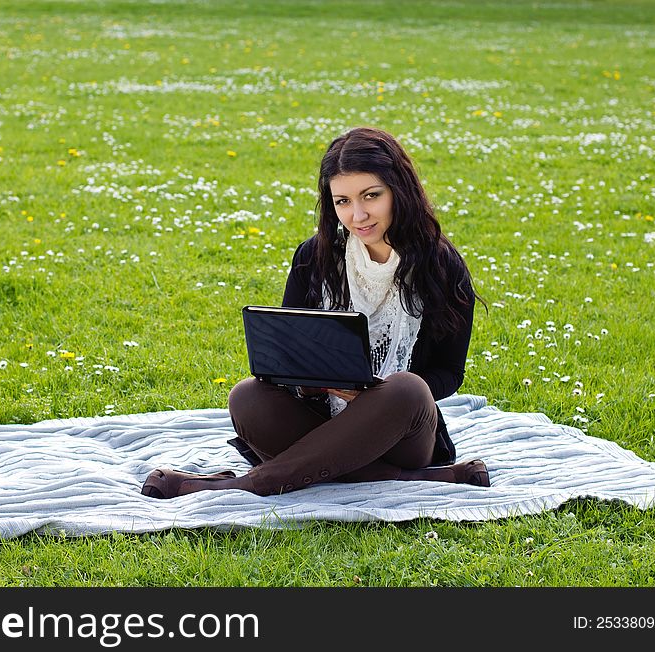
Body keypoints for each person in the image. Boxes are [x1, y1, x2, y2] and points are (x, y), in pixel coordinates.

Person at [141, 126, 489, 499]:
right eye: (342, 201)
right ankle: (408, 479)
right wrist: (314, 382)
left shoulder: (441, 265)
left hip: (401, 429)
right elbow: (291, 353)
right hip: (319, 416)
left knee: (407, 387)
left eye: (371, 196)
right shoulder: (314, 257)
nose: (357, 215)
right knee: (246, 396)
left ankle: (246, 484)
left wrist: (374, 394)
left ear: (398, 191)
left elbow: (449, 373)